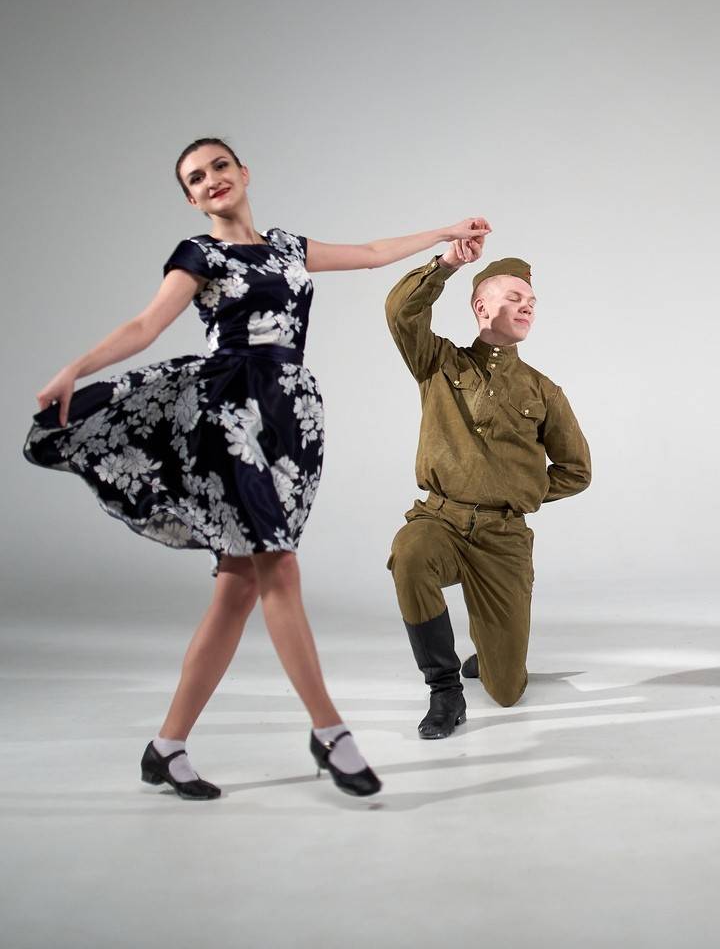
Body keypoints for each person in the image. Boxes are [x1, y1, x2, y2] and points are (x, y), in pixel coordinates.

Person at [24, 136, 489, 799]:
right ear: (191, 199)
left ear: (243, 173)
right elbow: (145, 326)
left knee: (238, 587)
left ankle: (166, 748)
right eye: (195, 178)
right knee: (278, 565)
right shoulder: (199, 255)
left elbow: (369, 253)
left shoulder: (288, 247)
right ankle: (330, 733)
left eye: (219, 166)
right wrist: (76, 368)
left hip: (290, 418)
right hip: (230, 417)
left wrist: (445, 237)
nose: (211, 179)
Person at [385, 239, 591, 739]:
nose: (527, 307)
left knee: (507, 689)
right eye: (515, 297)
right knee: (410, 554)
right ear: (481, 306)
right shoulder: (438, 363)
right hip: (441, 521)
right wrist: (447, 263)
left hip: (503, 538)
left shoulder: (543, 391)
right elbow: (400, 311)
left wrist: (520, 491)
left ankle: (491, 646)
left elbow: (576, 470)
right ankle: (444, 690)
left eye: (532, 302)